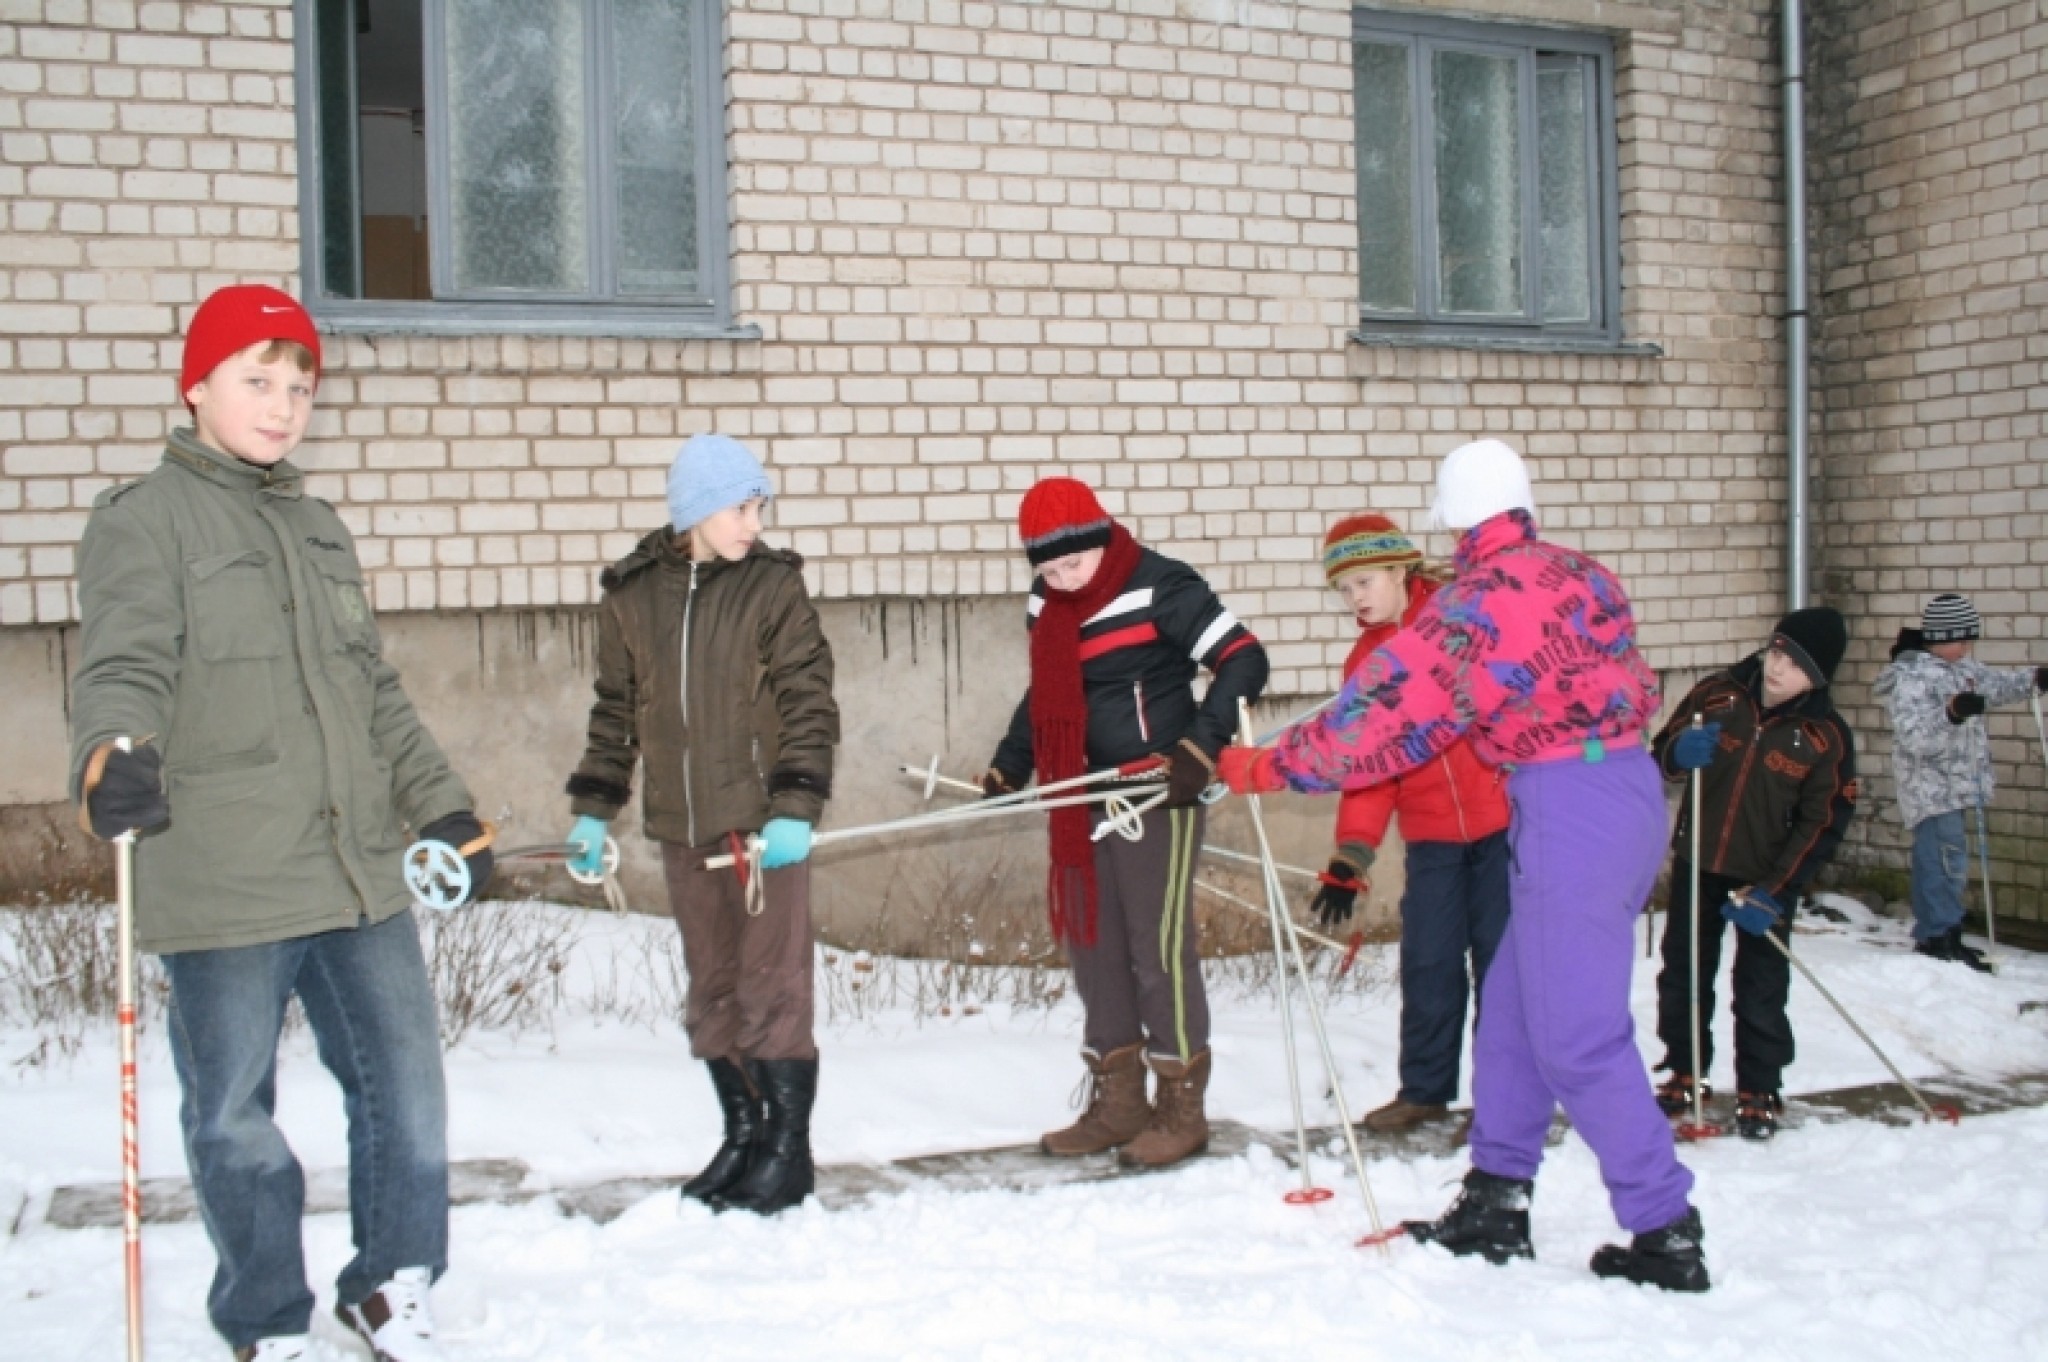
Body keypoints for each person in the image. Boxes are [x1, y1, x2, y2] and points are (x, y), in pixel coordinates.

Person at [69, 284, 489, 1362]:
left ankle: (389, 1287)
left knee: (406, 1091)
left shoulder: (315, 526)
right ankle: (263, 1320)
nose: (283, 404)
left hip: (353, 869)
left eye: (298, 386)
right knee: (234, 1117)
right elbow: (122, 662)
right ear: (196, 385)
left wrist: (438, 800)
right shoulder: (142, 519)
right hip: (225, 870)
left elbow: (371, 687)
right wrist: (112, 751)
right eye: (257, 380)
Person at [1218, 439, 1709, 1293]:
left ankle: (1665, 1226)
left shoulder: (1479, 604)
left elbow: (1379, 722)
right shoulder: (1583, 573)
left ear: (1451, 522)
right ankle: (1495, 1197)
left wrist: (1256, 767)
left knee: (1577, 1036)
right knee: (1516, 1011)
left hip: (1567, 805)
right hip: (1618, 788)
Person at [564, 433, 839, 1215]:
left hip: (757, 829)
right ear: (696, 510)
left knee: (772, 986)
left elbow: (808, 702)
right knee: (714, 988)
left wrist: (794, 806)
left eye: (758, 505)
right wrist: (593, 811)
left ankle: (788, 1154)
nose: (754, 521)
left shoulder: (771, 589)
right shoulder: (633, 595)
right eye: (740, 506)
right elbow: (615, 713)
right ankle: (746, 1133)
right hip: (684, 828)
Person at [983, 477, 1268, 1169]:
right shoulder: (1048, 600)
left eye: (1070, 566)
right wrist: (1010, 762)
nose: (1059, 582)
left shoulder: (1160, 584)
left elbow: (1243, 659)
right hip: (1082, 795)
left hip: (1155, 793)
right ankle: (1119, 1101)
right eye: (1046, 571)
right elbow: (1050, 690)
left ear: (1099, 540)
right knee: (1094, 943)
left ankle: (1180, 1103)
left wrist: (1200, 745)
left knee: (1157, 945)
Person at [1310, 513, 1509, 1133]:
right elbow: (1368, 766)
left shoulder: (1460, 623)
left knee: (1503, 967)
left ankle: (1506, 1098)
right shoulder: (1365, 664)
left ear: (1401, 568)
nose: (1356, 599)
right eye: (1344, 590)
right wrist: (1353, 855)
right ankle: (1424, 1089)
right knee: (1429, 961)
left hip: (1504, 828)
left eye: (1364, 582)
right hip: (1432, 841)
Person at [1648, 607, 1857, 1142]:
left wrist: (1776, 890)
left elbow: (1824, 820)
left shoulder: (1824, 736)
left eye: (1797, 663)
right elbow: (1657, 757)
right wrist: (1676, 754)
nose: (1779, 667)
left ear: (1819, 677)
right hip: (1701, 861)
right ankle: (1685, 1068)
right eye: (1778, 651)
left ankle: (1758, 1086)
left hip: (1765, 881)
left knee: (1761, 986)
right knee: (1684, 972)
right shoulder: (1717, 696)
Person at [1872, 593, 2048, 972]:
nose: (1967, 648)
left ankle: (1939, 929)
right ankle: (1939, 934)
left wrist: (2033, 680)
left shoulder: (1962, 669)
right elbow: (1915, 738)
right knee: (1945, 861)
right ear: (1939, 636)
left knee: (1943, 858)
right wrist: (1951, 714)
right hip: (1931, 790)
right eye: (1961, 640)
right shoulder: (1912, 678)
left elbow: (1995, 685)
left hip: (1955, 784)